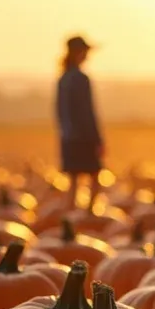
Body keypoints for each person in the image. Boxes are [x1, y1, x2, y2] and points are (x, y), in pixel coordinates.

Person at [55, 35, 102, 210]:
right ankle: (90, 212)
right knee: (95, 175)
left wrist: (65, 132)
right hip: (84, 136)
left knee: (73, 179)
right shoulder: (81, 79)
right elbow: (88, 112)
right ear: (78, 53)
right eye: (85, 52)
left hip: (68, 137)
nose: (87, 56)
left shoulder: (63, 79)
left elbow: (59, 111)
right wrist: (97, 139)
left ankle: (71, 212)